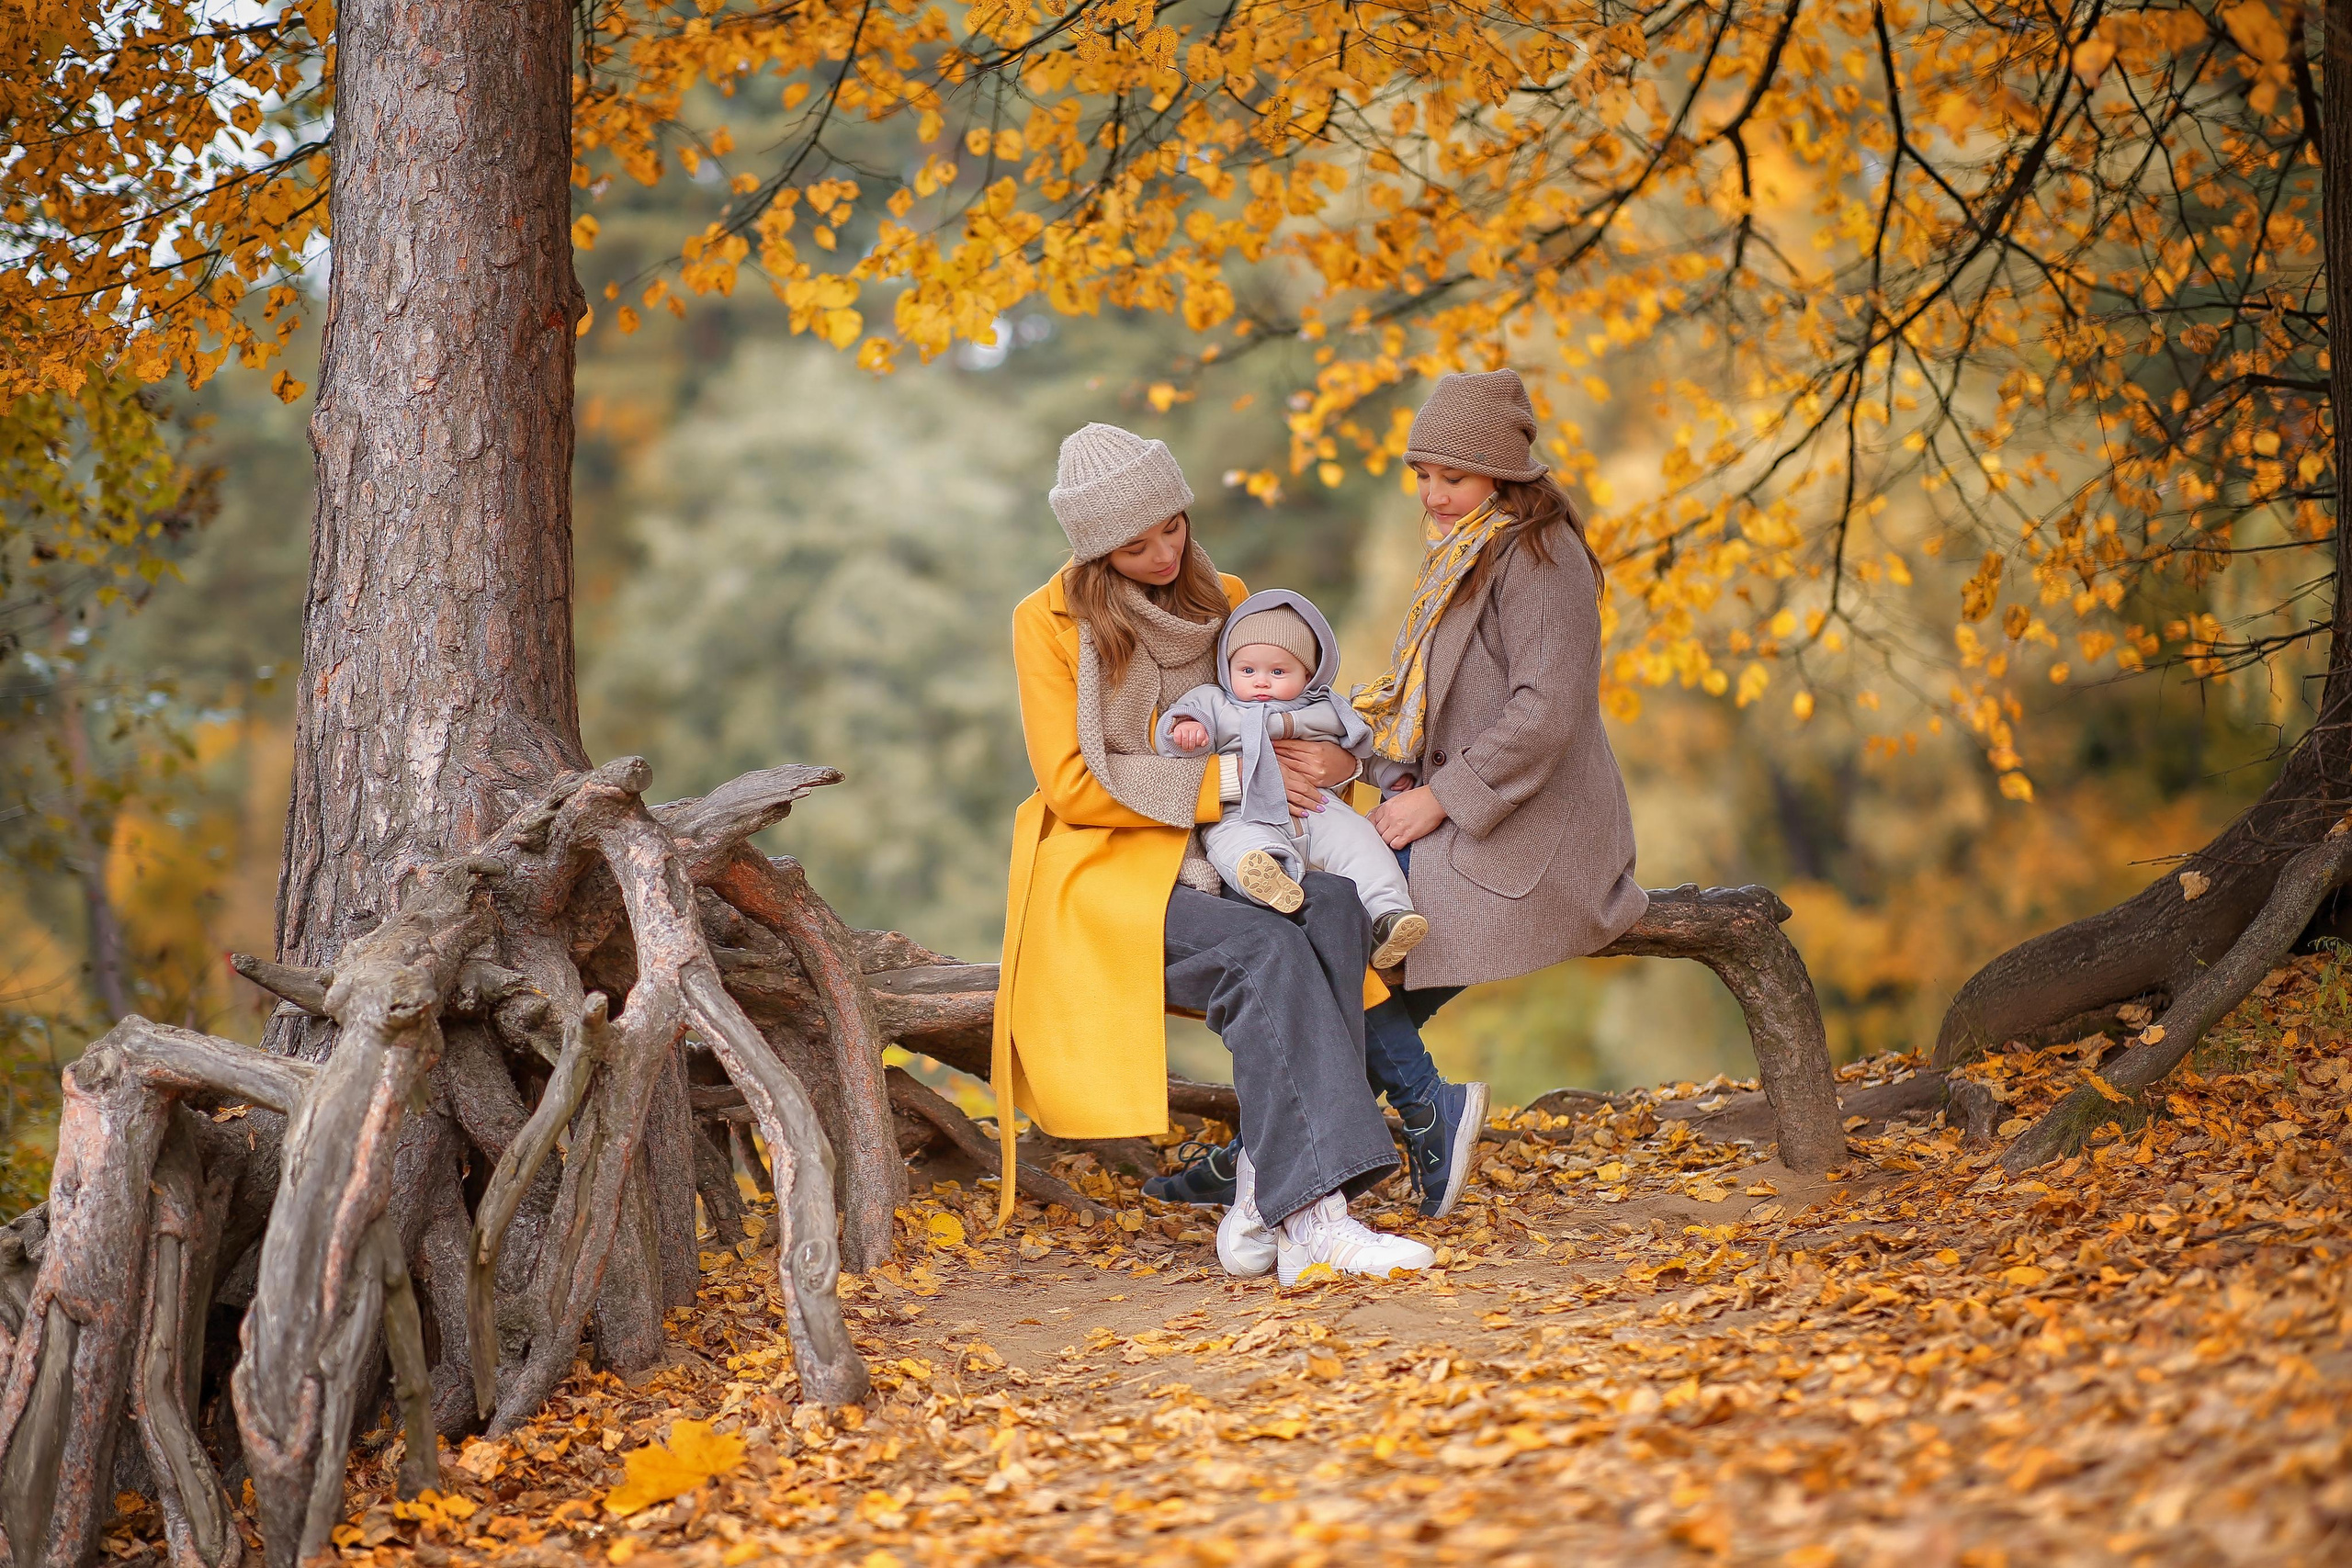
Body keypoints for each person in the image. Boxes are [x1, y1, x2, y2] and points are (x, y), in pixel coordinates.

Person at [1156, 368, 1647, 1221]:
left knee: (1336, 918)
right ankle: (1332, 1127)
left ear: (1503, 472)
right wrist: (1370, 770)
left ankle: (1306, 1134)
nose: (1434, 494)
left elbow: (1546, 708)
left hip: (1537, 821)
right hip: (1473, 802)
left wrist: (1436, 800)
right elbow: (1432, 701)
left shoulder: (1540, 554)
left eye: (1451, 477)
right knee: (1330, 912)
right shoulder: (1467, 548)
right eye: (1423, 476)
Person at [994, 421, 1433, 1283]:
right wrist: (1224, 782)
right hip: (1107, 868)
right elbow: (1072, 784)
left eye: (1173, 527)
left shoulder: (1229, 597)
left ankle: (1264, 1192)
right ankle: (1315, 1217)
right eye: (1134, 544)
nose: (1163, 553)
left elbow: (1287, 709)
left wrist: (1338, 760)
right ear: (1092, 549)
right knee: (1264, 946)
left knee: (1336, 907)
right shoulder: (1047, 624)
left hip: (1237, 847)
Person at [1154, 587, 1430, 969]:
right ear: (1227, 668)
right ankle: (1267, 875)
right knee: (1233, 838)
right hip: (1245, 809)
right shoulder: (1216, 701)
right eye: (1247, 670)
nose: (1261, 682)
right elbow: (1178, 724)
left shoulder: (1327, 708)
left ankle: (1388, 917)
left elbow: (1364, 748)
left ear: (1309, 674)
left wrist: (1393, 775)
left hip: (1319, 808)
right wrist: (1185, 730)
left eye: (1278, 671)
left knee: (1362, 845)